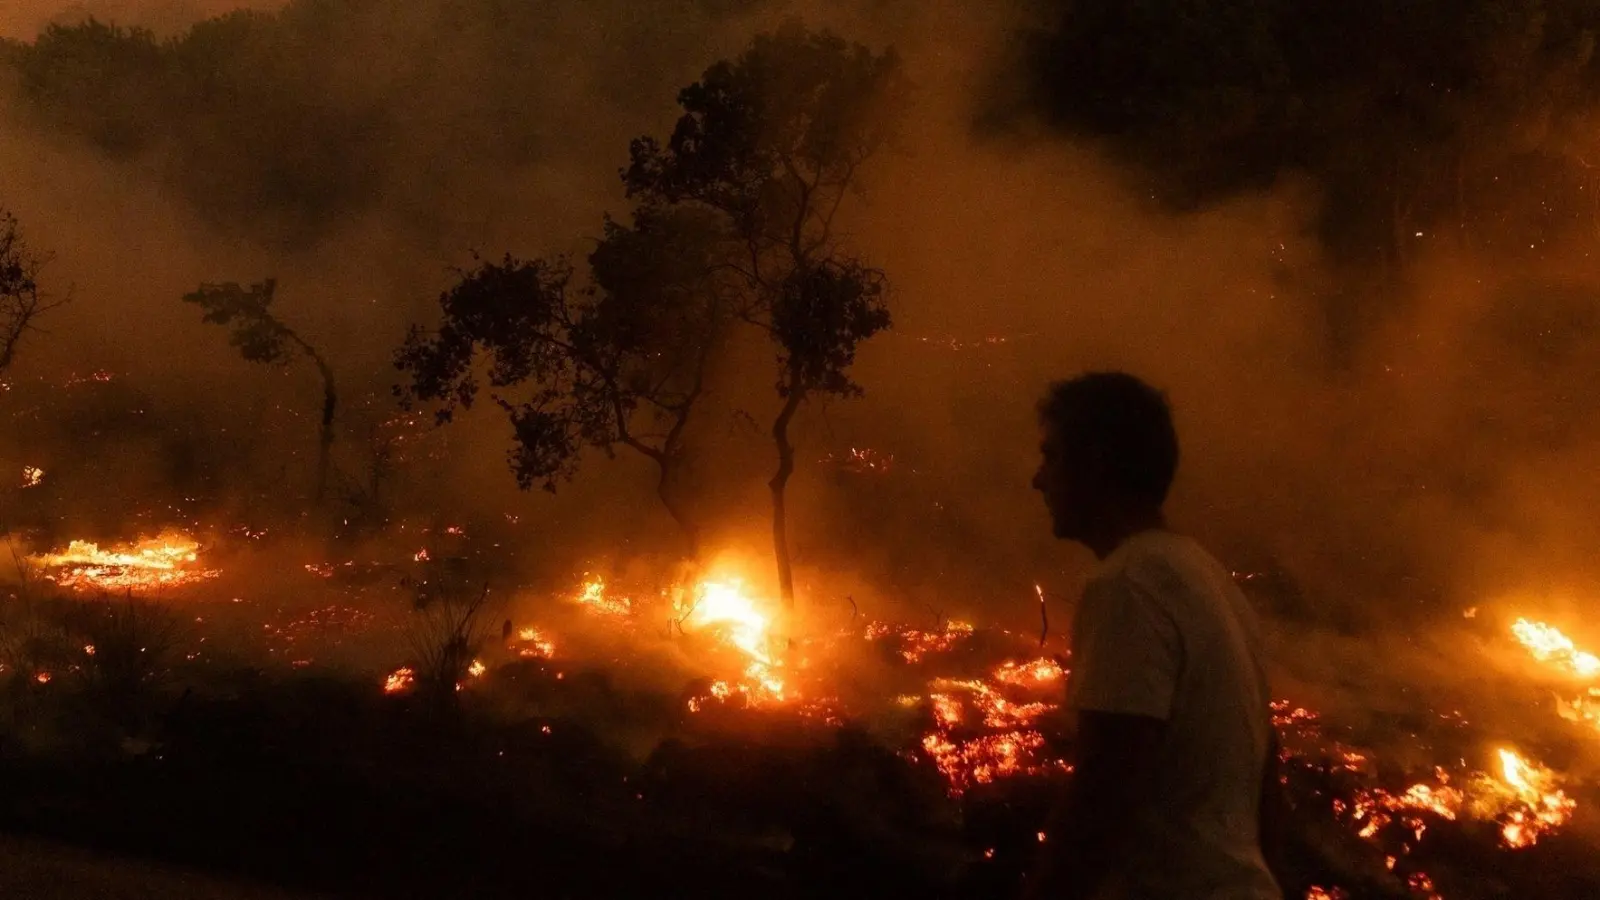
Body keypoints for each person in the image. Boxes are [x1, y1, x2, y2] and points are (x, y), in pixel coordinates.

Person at [1026, 372, 1283, 900]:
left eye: (1051, 457)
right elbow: (1267, 788)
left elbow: (1102, 796)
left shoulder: (1128, 584)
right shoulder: (1207, 578)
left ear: (1094, 463)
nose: (1038, 479)